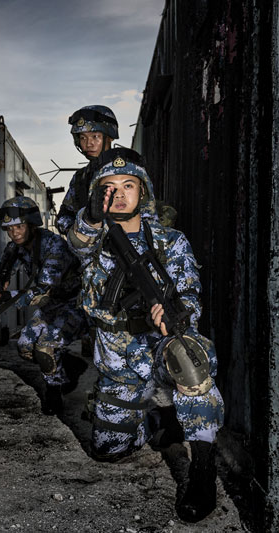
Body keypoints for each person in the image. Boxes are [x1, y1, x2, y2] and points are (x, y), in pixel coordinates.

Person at [67, 155, 225, 523]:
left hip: (163, 348)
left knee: (190, 360)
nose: (119, 195)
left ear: (143, 191)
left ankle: (203, 469)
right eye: (109, 189)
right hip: (119, 361)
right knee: (108, 450)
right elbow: (77, 242)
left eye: (128, 186)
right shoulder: (93, 237)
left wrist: (177, 314)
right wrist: (91, 217)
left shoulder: (170, 240)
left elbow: (190, 291)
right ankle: (155, 417)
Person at [0, 196, 86, 415]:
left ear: (32, 224)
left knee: (45, 348)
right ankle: (68, 364)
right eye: (9, 228)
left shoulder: (54, 245)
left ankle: (54, 391)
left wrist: (4, 297)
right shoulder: (16, 247)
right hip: (51, 306)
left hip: (75, 305)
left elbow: (43, 291)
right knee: (25, 346)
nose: (14, 233)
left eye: (19, 227)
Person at [54, 105, 118, 236]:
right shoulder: (80, 177)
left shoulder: (129, 170)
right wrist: (79, 232)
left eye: (95, 136)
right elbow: (63, 217)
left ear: (110, 136)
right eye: (83, 138)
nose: (88, 144)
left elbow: (149, 216)